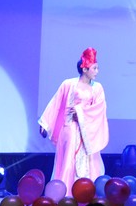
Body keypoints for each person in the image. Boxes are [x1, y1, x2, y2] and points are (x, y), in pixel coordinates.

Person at [38, 47, 109, 194]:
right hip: (69, 129)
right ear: (84, 69)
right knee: (67, 162)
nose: (97, 71)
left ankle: (87, 194)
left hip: (87, 133)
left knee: (90, 163)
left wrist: (81, 113)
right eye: (94, 68)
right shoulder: (68, 84)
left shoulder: (97, 88)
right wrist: (45, 123)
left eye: (97, 68)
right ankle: (65, 194)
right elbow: (56, 103)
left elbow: (99, 108)